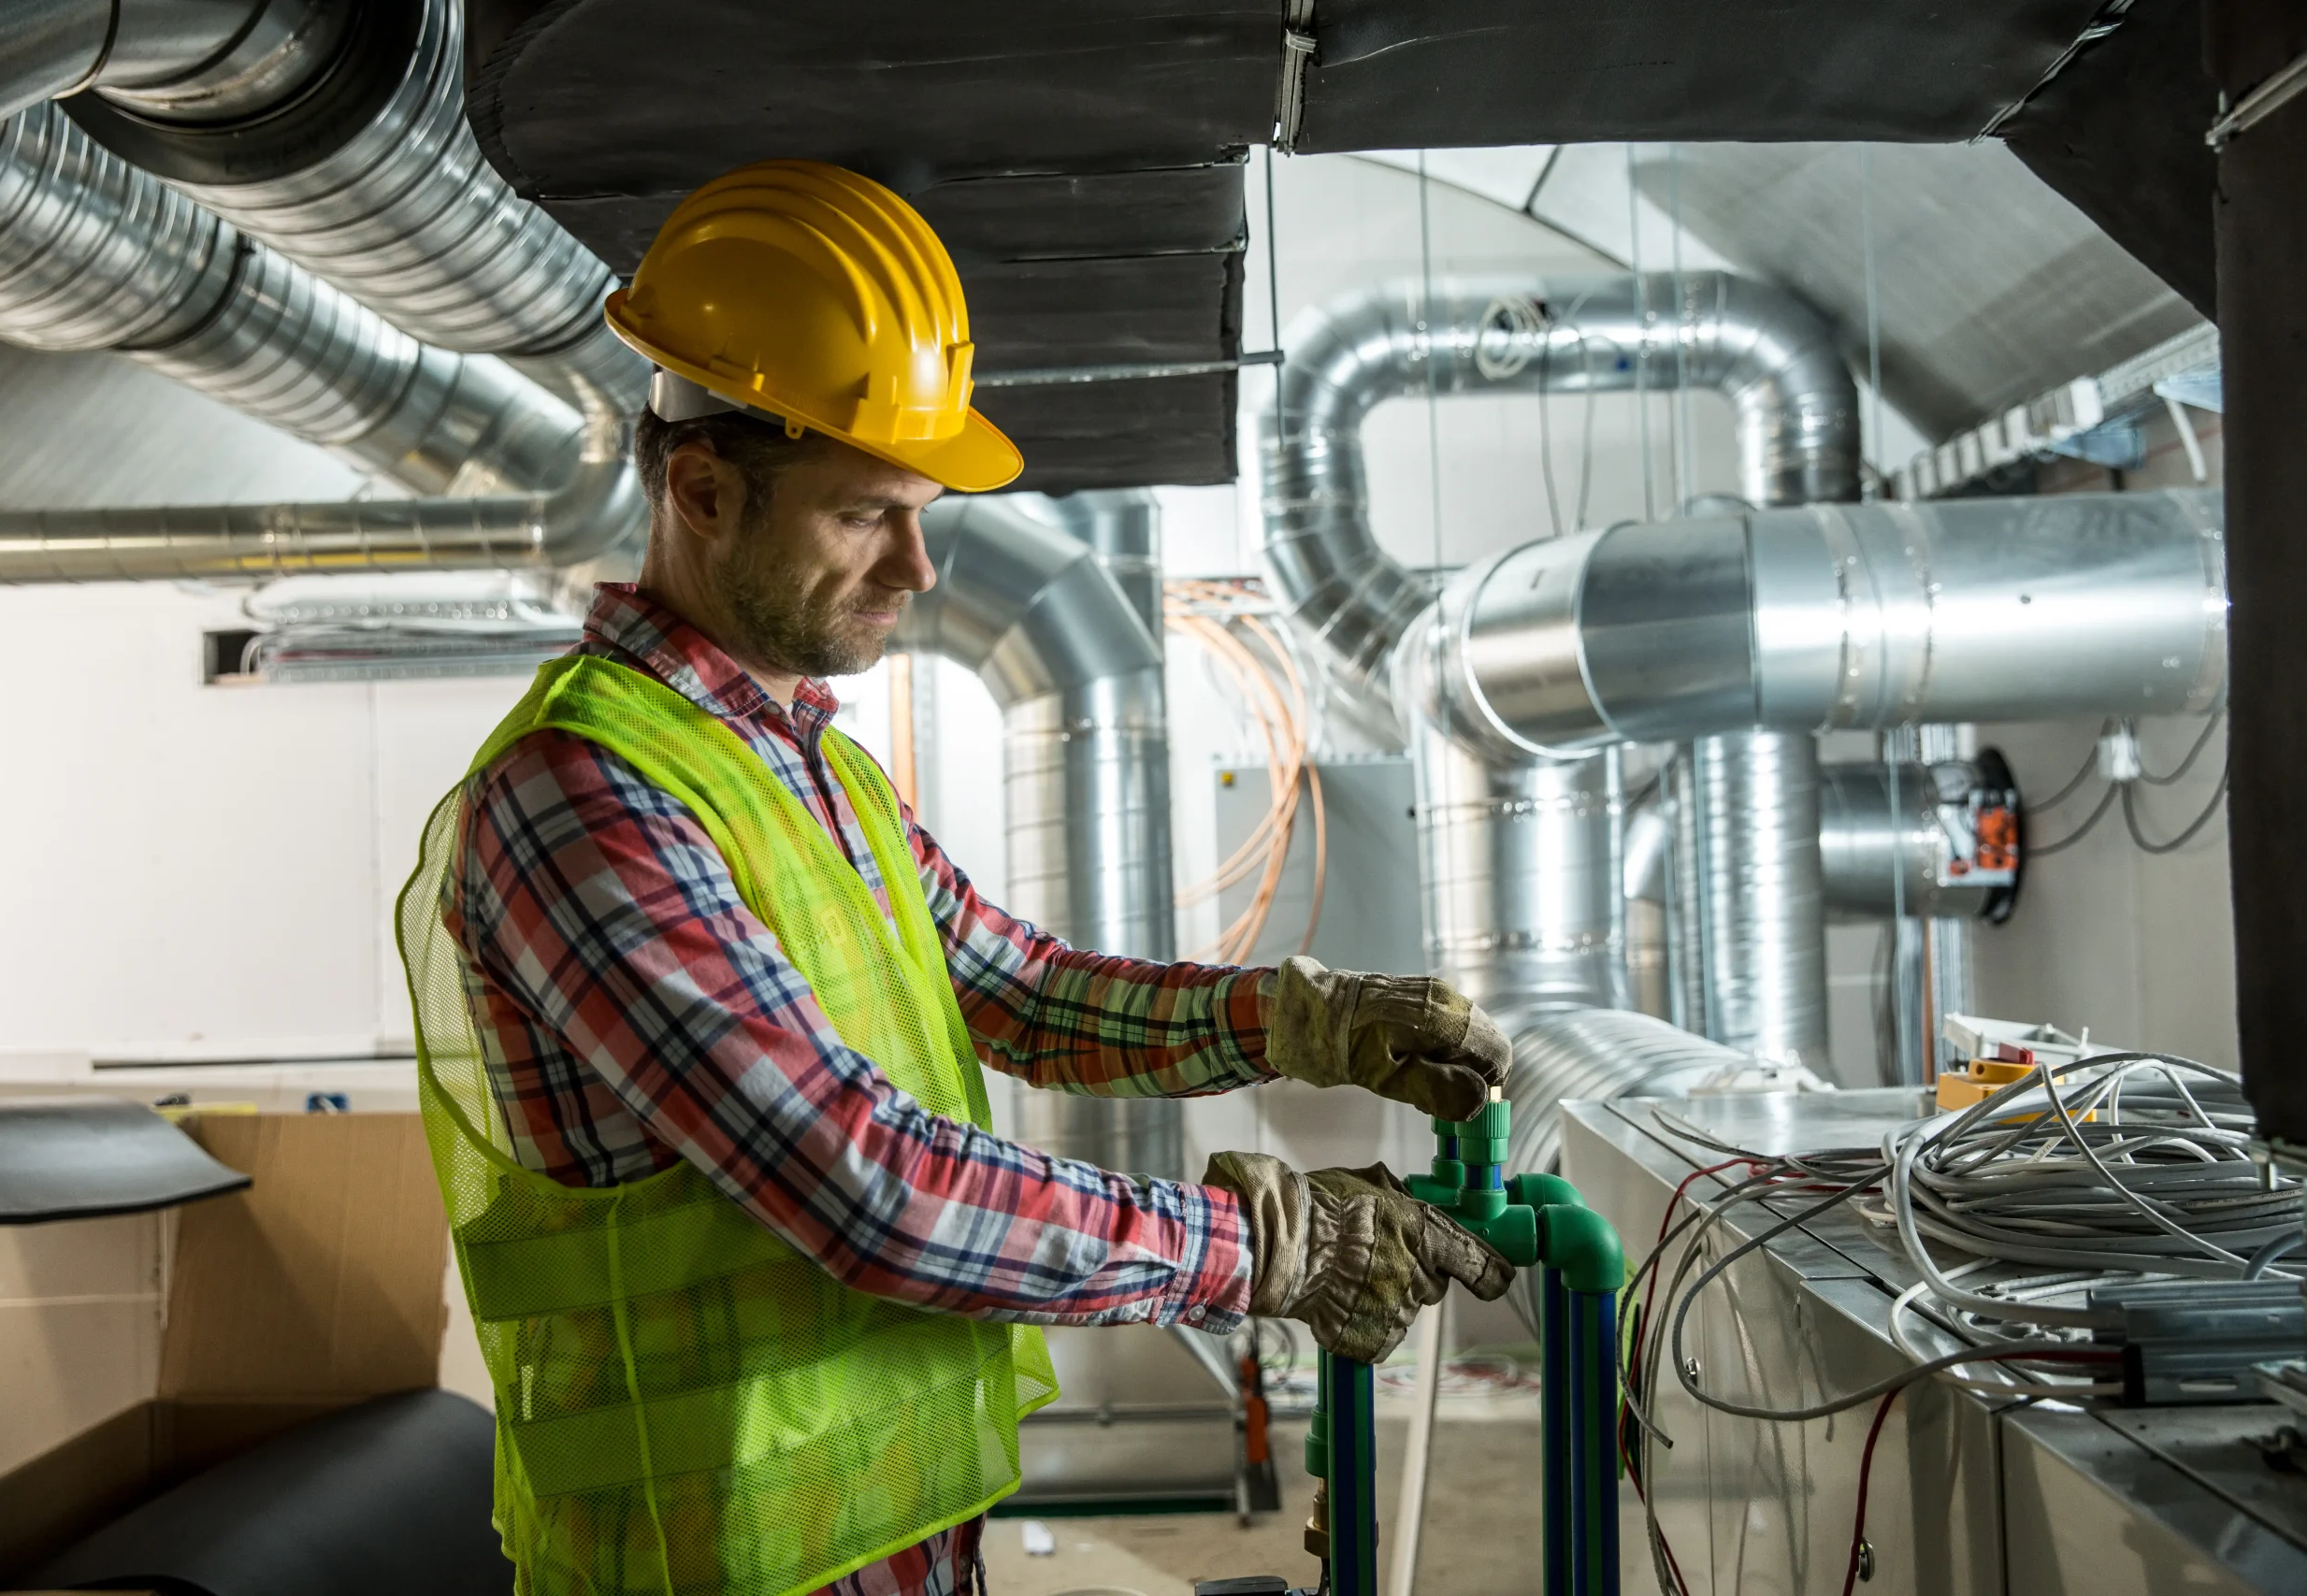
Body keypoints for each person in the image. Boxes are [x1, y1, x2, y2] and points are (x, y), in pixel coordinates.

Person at [397, 160, 1514, 1596]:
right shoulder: (584, 799)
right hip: (718, 1566)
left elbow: (1023, 992)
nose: (919, 566)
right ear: (703, 489)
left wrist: (1299, 1018)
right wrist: (1263, 1246)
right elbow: (868, 1184)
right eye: (868, 513)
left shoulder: (811, 767)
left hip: (891, 1541)